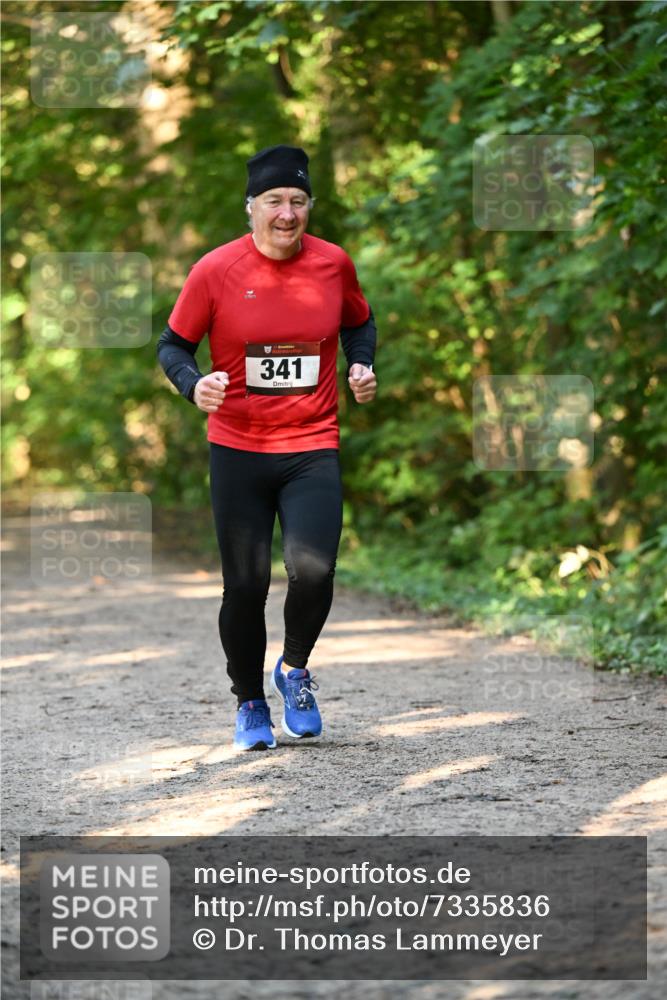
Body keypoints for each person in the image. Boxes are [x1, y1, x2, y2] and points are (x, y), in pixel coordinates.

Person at [157, 144, 377, 751]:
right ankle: (250, 703)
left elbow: (359, 322)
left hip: (312, 443)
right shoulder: (215, 270)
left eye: (298, 201)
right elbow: (172, 345)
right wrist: (193, 384)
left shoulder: (333, 264)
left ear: (309, 207)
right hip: (238, 447)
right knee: (246, 586)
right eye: (275, 200)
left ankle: (294, 670)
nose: (287, 213)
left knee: (315, 569)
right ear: (251, 207)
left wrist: (361, 365)